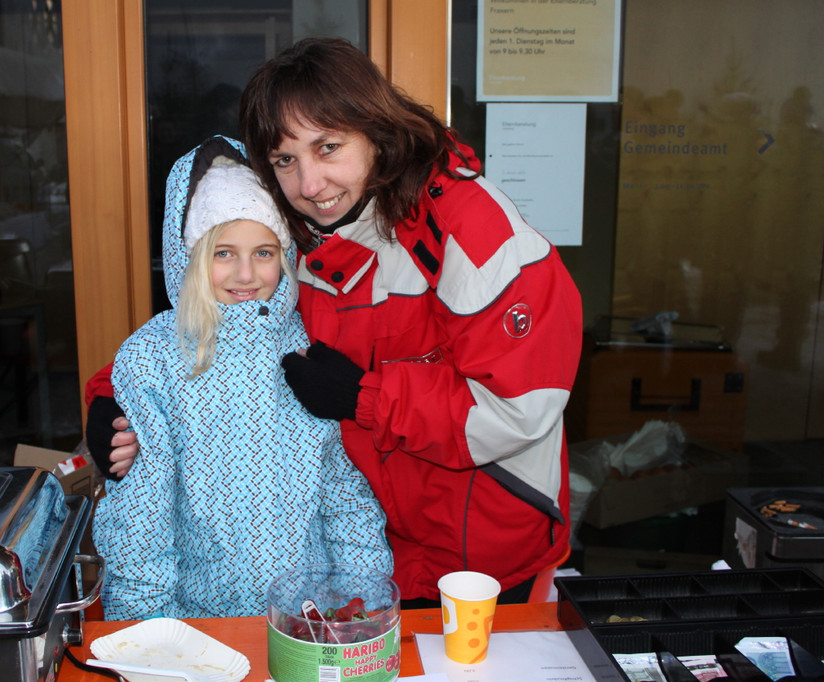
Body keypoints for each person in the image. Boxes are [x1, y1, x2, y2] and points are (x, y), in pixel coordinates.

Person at [90, 37, 583, 605]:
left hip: (478, 554)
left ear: (377, 130)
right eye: (285, 161)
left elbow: (520, 408)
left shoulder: (473, 232)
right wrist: (112, 401)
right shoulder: (299, 231)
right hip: (374, 553)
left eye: (328, 147)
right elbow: (231, 336)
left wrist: (363, 398)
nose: (310, 184)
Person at [90, 135, 392, 620]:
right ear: (190, 257)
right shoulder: (155, 358)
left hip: (307, 619)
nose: (246, 274)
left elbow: (344, 493)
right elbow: (141, 520)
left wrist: (366, 601)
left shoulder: (306, 347)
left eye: (264, 252)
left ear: (286, 255)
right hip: (198, 622)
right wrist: (142, 631)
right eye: (224, 253)